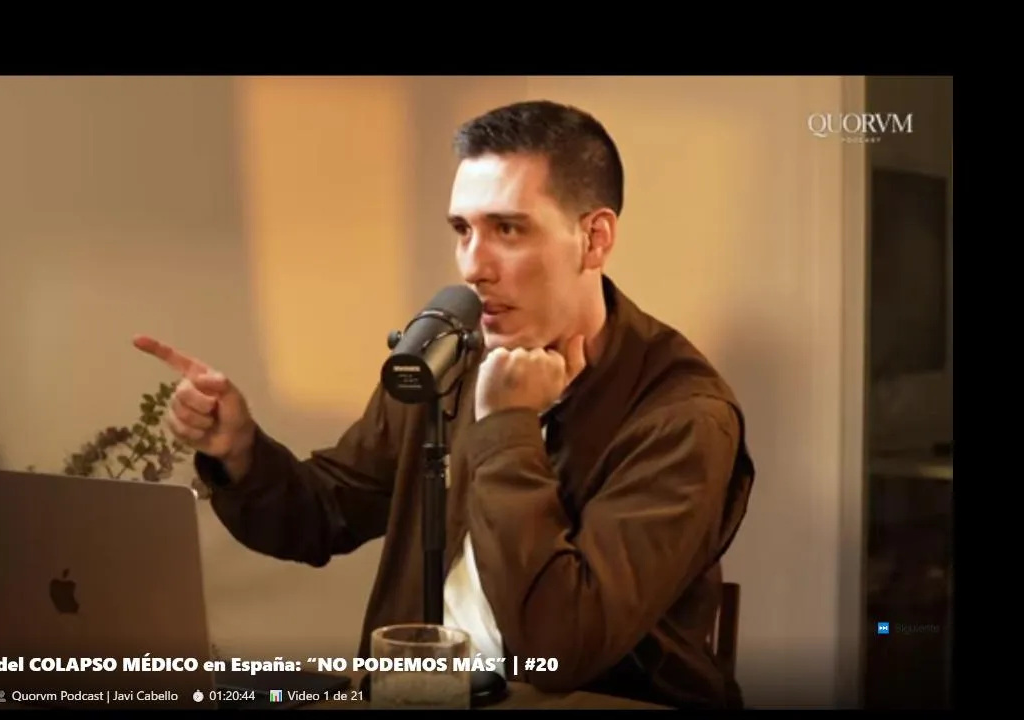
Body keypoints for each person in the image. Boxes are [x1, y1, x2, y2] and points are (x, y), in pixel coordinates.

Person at [133, 100, 756, 710]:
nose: (474, 266)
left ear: (594, 239)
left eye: (508, 229)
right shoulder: (446, 354)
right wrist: (240, 452)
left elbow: (563, 646)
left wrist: (508, 424)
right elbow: (325, 514)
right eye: (463, 230)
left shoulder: (683, 416)